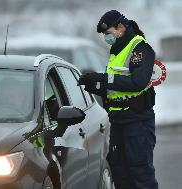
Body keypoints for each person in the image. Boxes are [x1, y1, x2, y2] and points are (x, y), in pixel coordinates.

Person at [78, 10, 158, 189]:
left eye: (108, 33)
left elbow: (138, 81)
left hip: (137, 120)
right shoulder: (116, 51)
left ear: (120, 27)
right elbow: (116, 88)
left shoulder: (139, 48)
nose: (106, 38)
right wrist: (96, 85)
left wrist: (104, 79)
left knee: (140, 173)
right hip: (118, 121)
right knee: (120, 172)